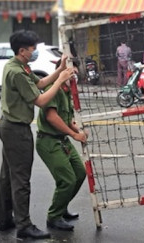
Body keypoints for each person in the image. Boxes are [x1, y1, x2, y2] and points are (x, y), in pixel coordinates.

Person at [0, 30, 74, 239]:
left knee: (7, 176)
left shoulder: (17, 65)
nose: (34, 52)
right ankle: (24, 226)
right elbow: (40, 100)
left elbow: (39, 83)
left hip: (9, 125)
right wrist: (60, 81)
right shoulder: (17, 73)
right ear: (22, 51)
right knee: (21, 179)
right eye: (32, 49)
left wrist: (59, 71)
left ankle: (5, 220)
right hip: (16, 129)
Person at [36, 59, 87, 232]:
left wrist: (77, 130)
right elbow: (52, 117)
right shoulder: (54, 90)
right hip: (49, 141)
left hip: (63, 140)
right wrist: (74, 134)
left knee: (80, 173)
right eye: (72, 72)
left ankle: (62, 206)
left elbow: (66, 118)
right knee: (67, 180)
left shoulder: (67, 91)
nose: (75, 75)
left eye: (75, 72)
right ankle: (54, 216)